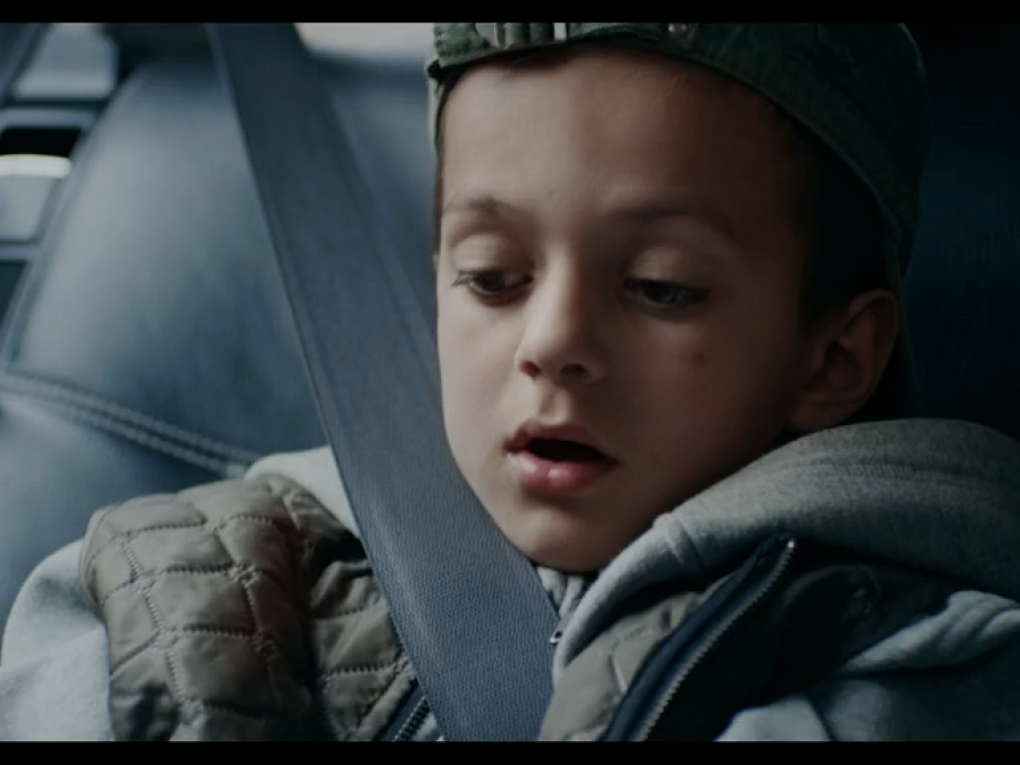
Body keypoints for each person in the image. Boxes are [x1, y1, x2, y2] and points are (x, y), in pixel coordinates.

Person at [3, 22, 1020, 741]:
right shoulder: (179, 577)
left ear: (834, 359)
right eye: (492, 276)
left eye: (661, 287)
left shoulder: (925, 670)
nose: (554, 340)